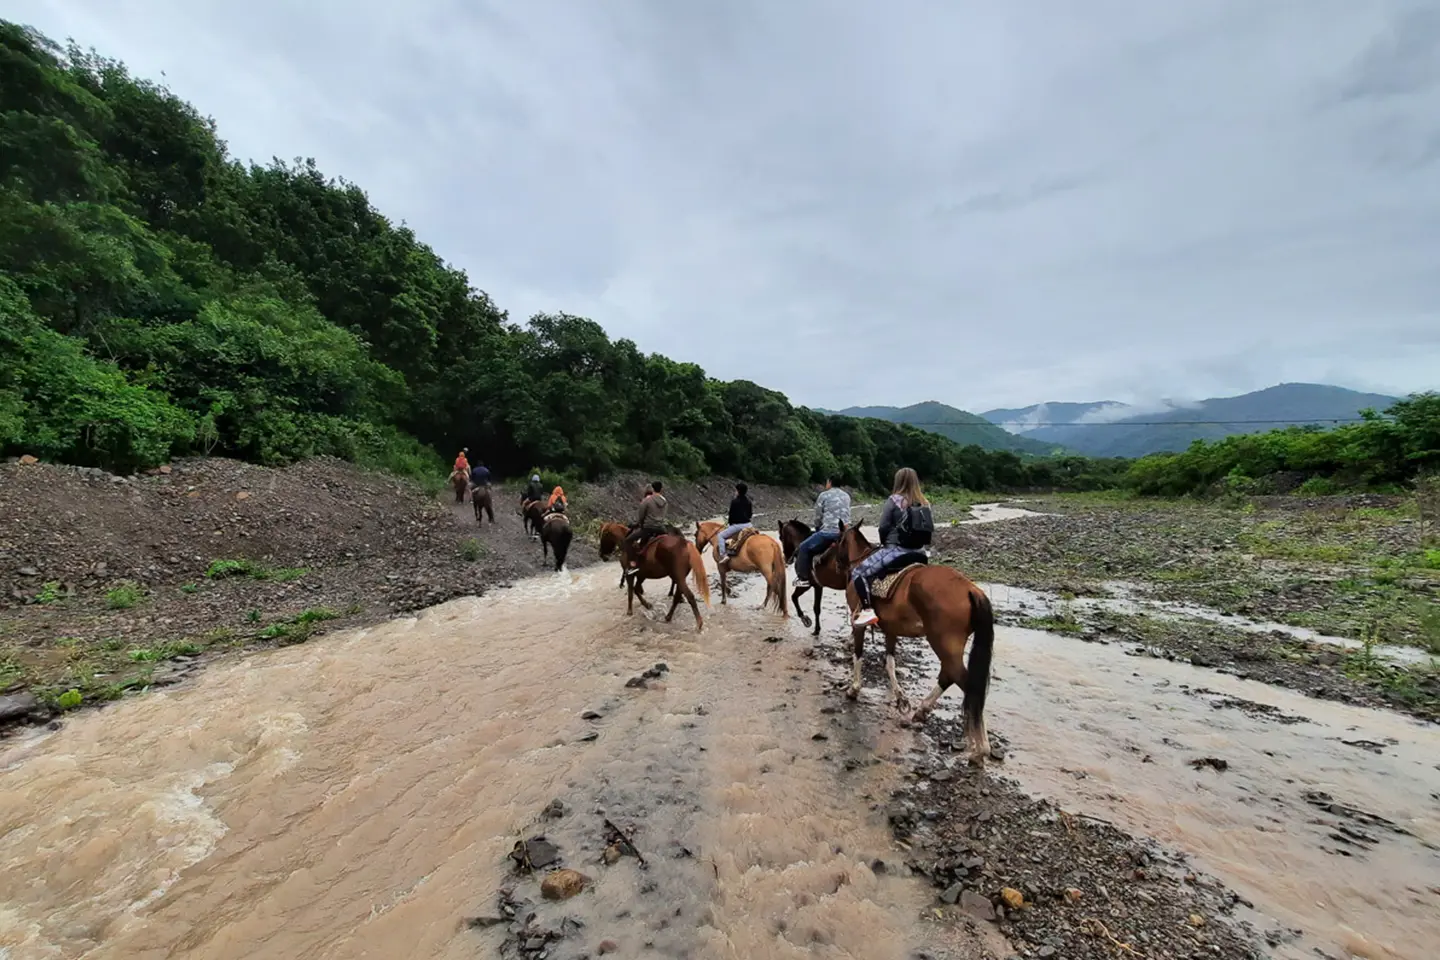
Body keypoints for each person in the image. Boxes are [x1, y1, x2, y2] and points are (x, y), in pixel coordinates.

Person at [849, 467, 933, 628]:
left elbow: (883, 527)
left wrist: (884, 544)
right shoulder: (925, 502)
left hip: (897, 550)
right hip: (921, 552)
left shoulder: (894, 500)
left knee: (858, 572)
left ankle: (867, 610)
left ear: (898, 481)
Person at [793, 475, 850, 588]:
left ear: (830, 482)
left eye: (827, 482)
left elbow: (818, 516)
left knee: (803, 547)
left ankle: (803, 578)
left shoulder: (824, 495)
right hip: (844, 534)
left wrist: (818, 528)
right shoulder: (847, 496)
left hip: (828, 532)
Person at [623, 480, 669, 562]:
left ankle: (632, 562)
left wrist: (638, 524)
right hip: (661, 528)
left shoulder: (646, 501)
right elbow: (664, 514)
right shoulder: (665, 501)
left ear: (652, 489)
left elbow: (641, 516)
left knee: (628, 541)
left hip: (648, 528)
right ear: (662, 489)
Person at [714, 481, 753, 572]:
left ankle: (723, 555)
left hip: (738, 526)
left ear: (738, 491)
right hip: (749, 525)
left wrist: (730, 524)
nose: (735, 492)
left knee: (720, 536)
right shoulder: (749, 502)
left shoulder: (734, 501)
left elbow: (731, 515)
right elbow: (750, 515)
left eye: (735, 490)